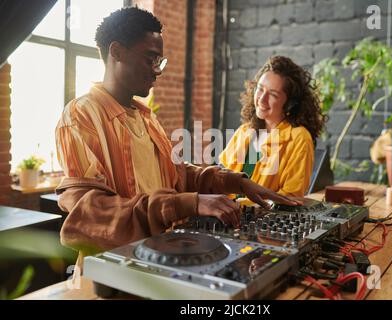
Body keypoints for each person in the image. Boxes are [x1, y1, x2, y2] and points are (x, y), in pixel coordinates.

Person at [55, 8, 299, 261]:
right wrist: (187, 203)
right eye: (150, 59)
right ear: (116, 51)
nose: (157, 70)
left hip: (161, 259)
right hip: (115, 269)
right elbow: (92, 214)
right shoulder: (81, 116)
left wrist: (236, 182)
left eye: (159, 61)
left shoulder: (146, 118)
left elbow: (177, 177)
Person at [220, 56, 325, 197]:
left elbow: (290, 197)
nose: (262, 99)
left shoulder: (299, 138)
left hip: (261, 218)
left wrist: (239, 206)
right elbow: (219, 178)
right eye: (260, 89)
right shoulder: (244, 131)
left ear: (290, 103)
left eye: (273, 94)